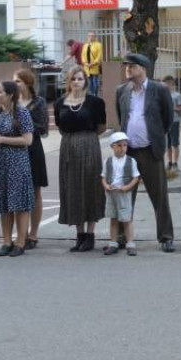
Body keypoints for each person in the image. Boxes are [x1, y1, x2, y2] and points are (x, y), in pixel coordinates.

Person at [115, 52, 175, 251]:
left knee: (159, 196)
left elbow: (167, 119)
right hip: (128, 152)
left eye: (131, 66)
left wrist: (156, 137)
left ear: (142, 68)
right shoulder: (122, 90)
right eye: (127, 66)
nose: (127, 69)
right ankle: (122, 236)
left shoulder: (159, 90)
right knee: (124, 195)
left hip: (150, 151)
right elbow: (121, 116)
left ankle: (166, 237)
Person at [54, 66, 107, 252]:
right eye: (73, 79)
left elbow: (101, 126)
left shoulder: (95, 102)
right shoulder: (60, 102)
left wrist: (86, 139)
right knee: (73, 189)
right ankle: (79, 235)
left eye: (80, 79)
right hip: (68, 147)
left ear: (85, 81)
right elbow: (60, 126)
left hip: (89, 146)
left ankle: (90, 235)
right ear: (68, 81)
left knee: (91, 187)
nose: (77, 82)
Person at [0, 80, 34, 257]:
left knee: (19, 203)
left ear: (10, 95)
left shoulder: (21, 112)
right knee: (3, 203)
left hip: (17, 162)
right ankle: (6, 241)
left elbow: (28, 140)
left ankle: (21, 242)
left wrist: (2, 140)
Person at [13, 69, 50, 249]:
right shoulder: (12, 102)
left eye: (18, 81)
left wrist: (24, 126)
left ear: (27, 83)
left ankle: (33, 234)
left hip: (33, 149)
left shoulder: (38, 102)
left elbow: (43, 128)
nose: (15, 84)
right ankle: (21, 234)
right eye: (14, 81)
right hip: (14, 149)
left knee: (35, 191)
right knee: (19, 191)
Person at [101, 131, 141, 255]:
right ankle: (113, 243)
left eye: (124, 145)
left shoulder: (131, 161)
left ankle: (130, 243)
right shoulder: (107, 161)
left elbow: (136, 177)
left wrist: (127, 187)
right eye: (119, 145)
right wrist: (106, 185)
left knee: (126, 219)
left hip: (124, 193)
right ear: (112, 146)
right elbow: (103, 176)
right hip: (111, 193)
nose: (122, 148)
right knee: (113, 218)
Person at [163, 75, 181, 178]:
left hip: (174, 121)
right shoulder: (163, 94)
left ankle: (175, 163)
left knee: (175, 143)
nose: (166, 85)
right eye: (164, 83)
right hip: (165, 122)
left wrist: (171, 108)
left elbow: (180, 108)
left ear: (172, 83)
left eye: (168, 83)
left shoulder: (176, 95)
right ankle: (169, 162)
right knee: (168, 144)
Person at [82, 31, 104, 97]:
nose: (90, 37)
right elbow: (82, 55)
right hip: (87, 67)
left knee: (95, 82)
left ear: (95, 37)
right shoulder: (85, 45)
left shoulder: (98, 44)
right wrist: (85, 63)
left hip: (94, 66)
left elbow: (99, 56)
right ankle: (91, 95)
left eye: (92, 36)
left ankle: (95, 94)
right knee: (89, 82)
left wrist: (93, 63)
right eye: (89, 36)